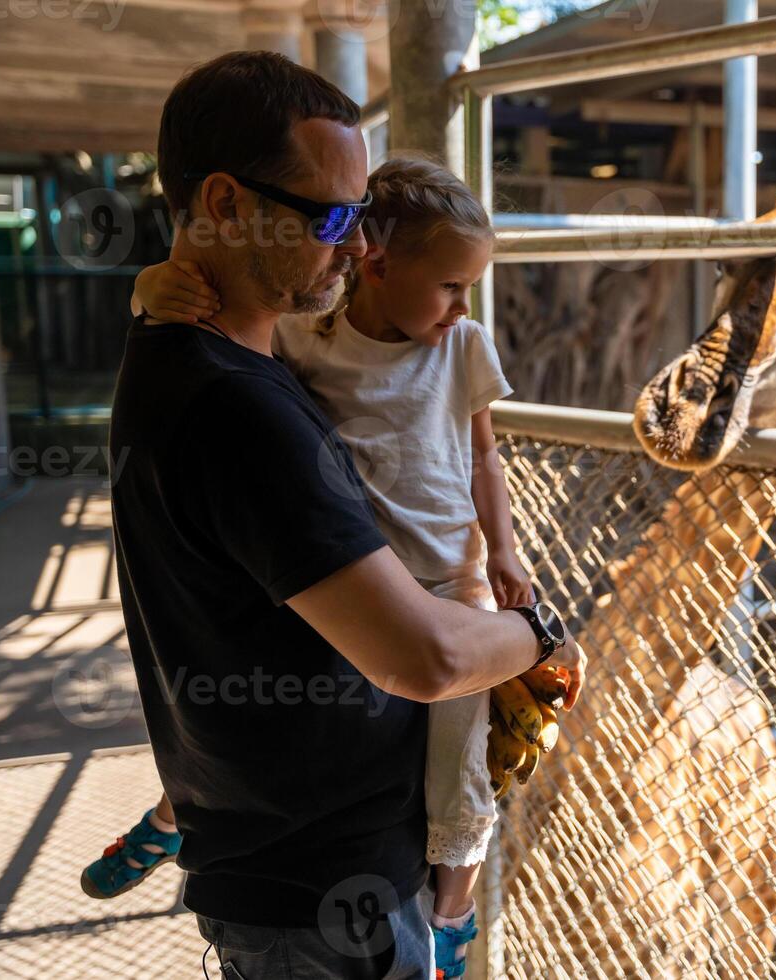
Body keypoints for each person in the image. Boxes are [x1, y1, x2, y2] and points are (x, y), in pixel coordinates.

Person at [102, 51, 584, 980]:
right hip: (316, 895)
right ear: (226, 203)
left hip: (302, 866)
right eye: (332, 216)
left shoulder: (197, 347)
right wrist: (540, 636)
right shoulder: (235, 405)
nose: (360, 246)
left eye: (362, 216)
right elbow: (428, 657)